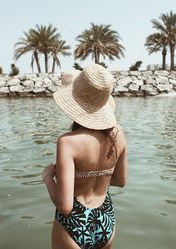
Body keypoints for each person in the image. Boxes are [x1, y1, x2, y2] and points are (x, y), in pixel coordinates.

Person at [42, 63, 127, 249]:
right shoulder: (119, 134)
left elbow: (65, 207)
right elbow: (120, 181)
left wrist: (48, 178)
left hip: (74, 223)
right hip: (106, 219)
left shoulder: (68, 142)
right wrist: (96, 176)